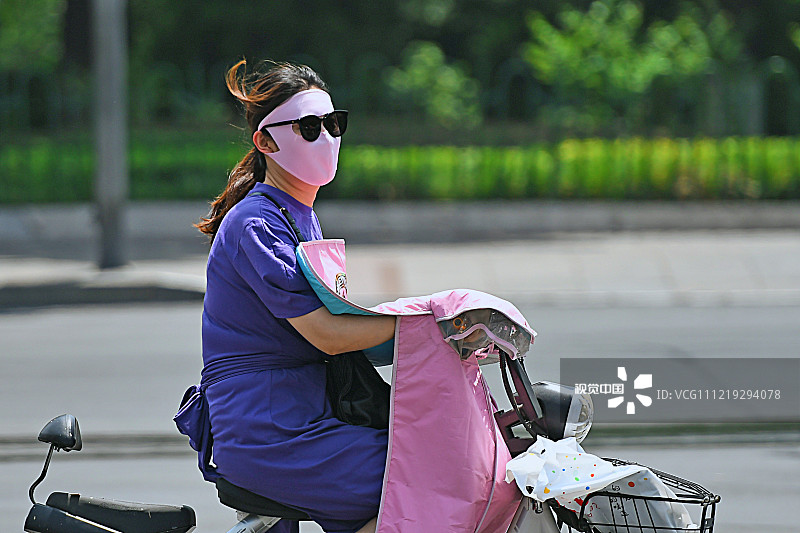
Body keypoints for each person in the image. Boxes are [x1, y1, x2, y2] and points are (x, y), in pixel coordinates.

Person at [194, 59, 395, 533]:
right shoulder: (256, 223)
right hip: (271, 432)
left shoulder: (299, 216)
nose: (325, 137)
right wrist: (434, 321)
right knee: (429, 470)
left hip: (306, 416)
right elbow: (326, 333)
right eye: (308, 127)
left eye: (333, 123)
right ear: (265, 142)